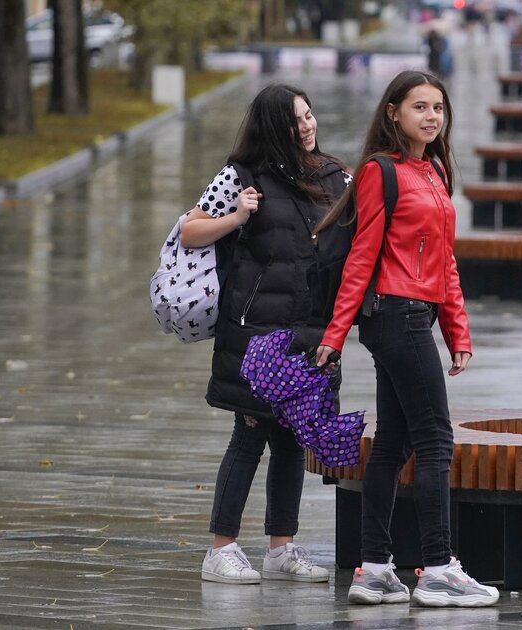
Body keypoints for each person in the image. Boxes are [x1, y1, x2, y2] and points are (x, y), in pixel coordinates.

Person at [313, 71, 499, 608]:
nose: (432, 116)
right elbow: (361, 257)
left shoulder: (435, 171)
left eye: (438, 107)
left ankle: (374, 570)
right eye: (420, 106)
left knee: (393, 443)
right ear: (393, 112)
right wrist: (336, 332)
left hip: (418, 316)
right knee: (436, 440)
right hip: (395, 317)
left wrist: (457, 332)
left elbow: (445, 262)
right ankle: (438, 567)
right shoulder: (380, 172)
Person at [180, 84, 351, 585]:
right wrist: (236, 217)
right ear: (272, 126)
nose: (308, 125)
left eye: (310, 113)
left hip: (310, 328)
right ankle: (221, 548)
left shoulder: (332, 175)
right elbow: (190, 230)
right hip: (258, 333)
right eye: (296, 119)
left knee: (292, 438)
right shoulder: (241, 175)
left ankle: (282, 548)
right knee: (250, 432)